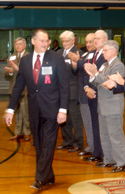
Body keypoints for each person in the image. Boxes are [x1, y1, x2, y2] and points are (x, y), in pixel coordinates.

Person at [4, 29, 70, 190]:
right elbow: (18, 86)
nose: (44, 43)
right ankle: (48, 176)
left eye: (46, 40)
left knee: (48, 143)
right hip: (34, 110)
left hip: (53, 110)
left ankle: (40, 178)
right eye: (41, 40)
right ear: (33, 41)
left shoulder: (56, 58)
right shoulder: (25, 61)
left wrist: (63, 110)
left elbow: (64, 86)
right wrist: (11, 109)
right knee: (40, 144)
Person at [84, 40, 125, 173]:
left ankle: (122, 162)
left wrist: (97, 75)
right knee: (105, 135)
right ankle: (109, 160)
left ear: (114, 51)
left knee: (115, 135)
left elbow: (109, 84)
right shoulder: (106, 65)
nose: (103, 52)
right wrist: (93, 76)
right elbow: (101, 84)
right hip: (103, 105)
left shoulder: (119, 66)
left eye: (105, 50)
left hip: (112, 106)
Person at [67, 33, 95, 156]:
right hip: (82, 94)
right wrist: (75, 65)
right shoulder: (84, 54)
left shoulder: (97, 56)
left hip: (91, 95)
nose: (88, 44)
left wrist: (77, 61)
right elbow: (77, 71)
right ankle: (90, 147)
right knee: (87, 124)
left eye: (91, 41)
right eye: (86, 42)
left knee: (93, 124)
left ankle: (95, 148)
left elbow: (86, 68)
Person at [57, 30, 84, 152]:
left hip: (73, 90)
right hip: (60, 92)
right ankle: (67, 141)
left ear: (73, 40)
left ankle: (79, 143)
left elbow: (80, 72)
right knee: (63, 118)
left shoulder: (79, 53)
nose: (64, 43)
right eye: (62, 41)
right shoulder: (58, 53)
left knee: (75, 118)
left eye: (67, 41)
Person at [5, 37, 30, 141]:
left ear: (25, 45)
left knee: (26, 112)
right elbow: (6, 76)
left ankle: (27, 132)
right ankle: (18, 132)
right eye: (16, 44)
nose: (17, 46)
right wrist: (10, 71)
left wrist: (19, 69)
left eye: (20, 44)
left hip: (25, 89)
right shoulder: (11, 57)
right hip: (13, 88)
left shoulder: (28, 56)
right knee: (17, 112)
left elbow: (31, 73)